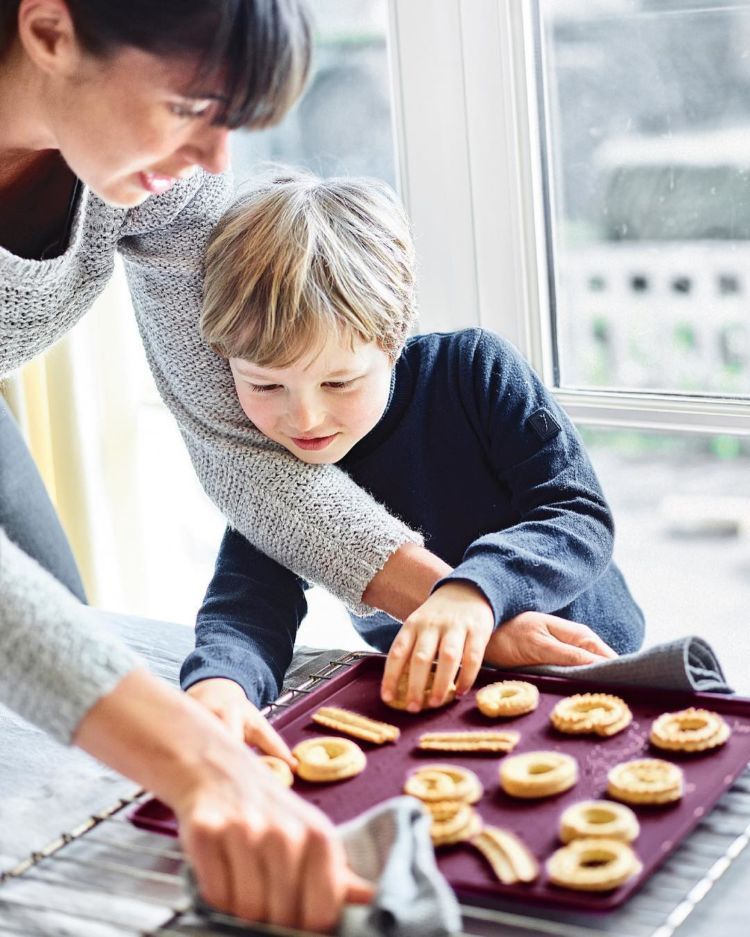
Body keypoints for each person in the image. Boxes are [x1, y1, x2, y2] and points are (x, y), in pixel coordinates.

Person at [0, 0, 474, 928]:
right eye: (193, 107)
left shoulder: (156, 178)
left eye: (237, 122)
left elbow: (238, 447)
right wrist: (196, 759)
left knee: (53, 699)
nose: (219, 163)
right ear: (50, 32)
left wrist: (452, 598)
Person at [179, 169, 645, 737]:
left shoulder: (474, 371)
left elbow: (577, 514)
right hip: (443, 699)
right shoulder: (272, 465)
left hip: (593, 671)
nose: (304, 420)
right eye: (265, 386)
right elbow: (246, 604)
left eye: (339, 383)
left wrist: (473, 591)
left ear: (394, 337)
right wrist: (219, 686)